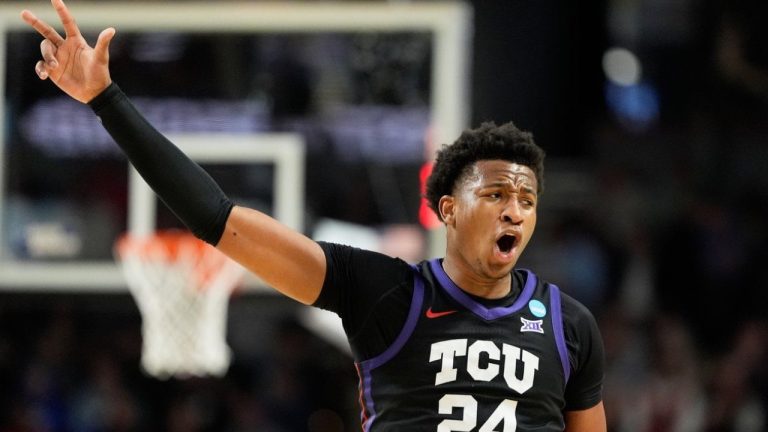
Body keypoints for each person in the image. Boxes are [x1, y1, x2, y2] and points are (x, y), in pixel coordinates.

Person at [20, 1, 606, 430]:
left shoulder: (568, 324)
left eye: (527, 201)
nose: (515, 212)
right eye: (497, 195)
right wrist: (106, 100)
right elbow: (216, 218)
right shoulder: (384, 292)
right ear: (449, 209)